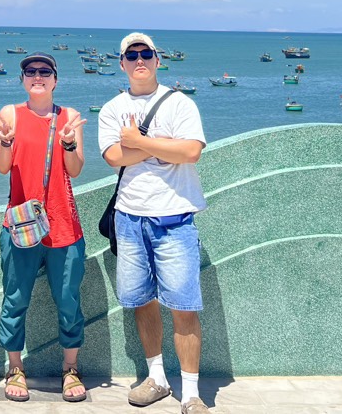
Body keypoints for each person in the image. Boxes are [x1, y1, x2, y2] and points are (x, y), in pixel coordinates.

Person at [97, 33, 210, 414]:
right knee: (141, 300)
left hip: (175, 218)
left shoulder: (180, 103)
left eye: (146, 54)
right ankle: (157, 378)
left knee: (183, 305)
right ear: (123, 63)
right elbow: (114, 157)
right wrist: (160, 143)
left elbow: (191, 151)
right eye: (132, 55)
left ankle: (191, 393)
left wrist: (136, 141)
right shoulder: (112, 108)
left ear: (157, 60)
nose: (140, 59)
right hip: (130, 218)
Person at [0, 53, 88, 403]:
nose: (38, 76)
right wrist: (4, 140)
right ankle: (14, 367)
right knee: (15, 300)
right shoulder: (9, 114)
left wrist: (69, 143)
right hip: (21, 226)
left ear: (56, 80)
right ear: (23, 80)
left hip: (64, 226)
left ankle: (70, 368)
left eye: (45, 72)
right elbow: (2, 168)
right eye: (30, 72)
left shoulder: (70, 117)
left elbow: (75, 169)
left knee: (69, 301)